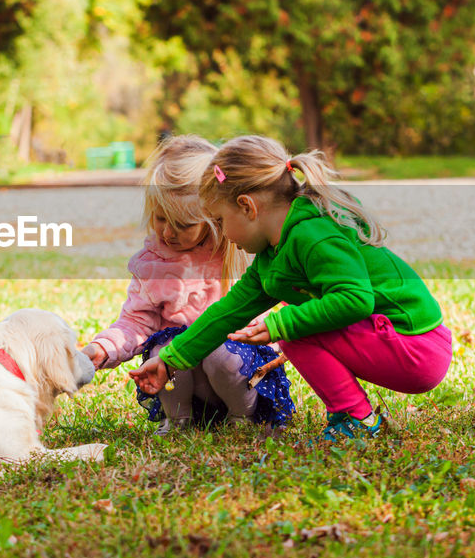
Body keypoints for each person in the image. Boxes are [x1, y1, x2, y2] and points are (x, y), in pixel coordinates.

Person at [129, 135, 452, 442]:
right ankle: (354, 417)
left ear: (247, 207)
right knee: (292, 329)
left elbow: (356, 299)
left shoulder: (315, 234)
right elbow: (228, 312)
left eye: (222, 219)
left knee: (293, 330)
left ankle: (357, 419)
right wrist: (170, 359)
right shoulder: (273, 256)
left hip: (415, 344)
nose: (224, 234)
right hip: (390, 342)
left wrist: (279, 324)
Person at [83, 135, 294, 432]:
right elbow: (135, 323)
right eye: (160, 219)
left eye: (183, 225)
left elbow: (262, 318)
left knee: (219, 351)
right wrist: (102, 348)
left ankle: (243, 419)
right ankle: (179, 420)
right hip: (189, 387)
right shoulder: (152, 263)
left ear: (213, 217)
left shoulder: (237, 252)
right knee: (164, 349)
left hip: (239, 376)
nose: (168, 232)